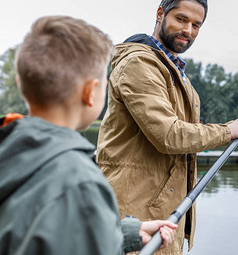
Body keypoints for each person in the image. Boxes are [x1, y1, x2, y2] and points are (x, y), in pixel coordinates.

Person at [97, 0, 238, 254]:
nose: (188, 31)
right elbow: (170, 135)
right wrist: (226, 132)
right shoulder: (139, 64)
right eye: (181, 19)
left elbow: (185, 132)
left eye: (196, 25)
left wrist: (231, 128)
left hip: (163, 217)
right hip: (133, 216)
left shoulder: (175, 71)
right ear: (160, 14)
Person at [0, 16, 178, 254]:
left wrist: (124, 233)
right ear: (90, 92)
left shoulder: (10, 151)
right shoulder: (80, 182)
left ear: (21, 82)